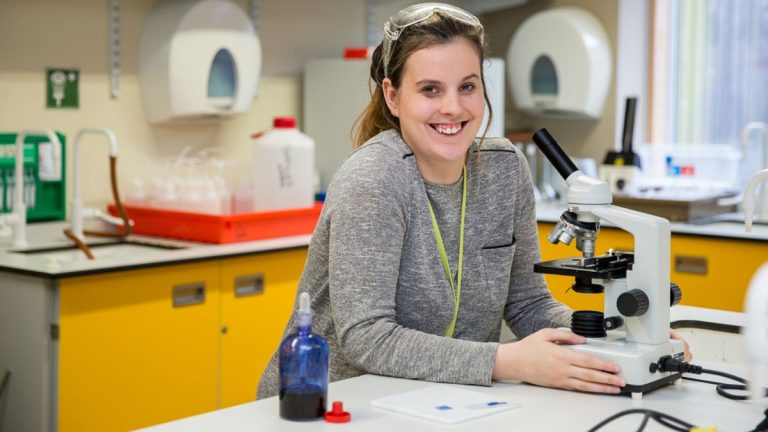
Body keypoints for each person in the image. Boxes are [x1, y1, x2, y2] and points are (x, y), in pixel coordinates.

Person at [257, 2, 689, 399]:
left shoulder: (504, 169)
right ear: (392, 96)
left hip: (445, 398)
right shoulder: (374, 180)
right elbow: (368, 336)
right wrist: (507, 361)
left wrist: (621, 341)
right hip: (334, 402)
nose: (453, 107)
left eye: (467, 86)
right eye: (429, 90)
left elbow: (527, 303)